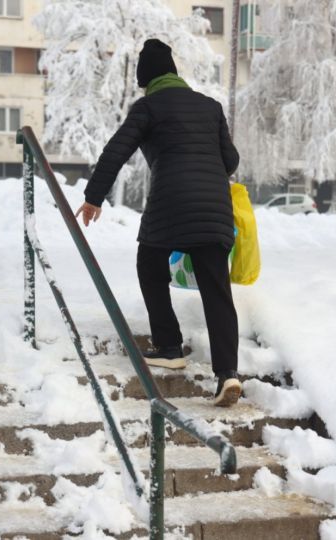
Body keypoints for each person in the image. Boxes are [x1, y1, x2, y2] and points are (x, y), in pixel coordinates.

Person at [75, 39, 242, 407]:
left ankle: (168, 346)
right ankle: (228, 374)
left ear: (146, 79)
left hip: (170, 204)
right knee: (217, 290)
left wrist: (93, 197)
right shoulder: (210, 107)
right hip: (214, 209)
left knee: (150, 266)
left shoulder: (148, 107)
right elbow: (230, 161)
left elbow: (116, 150)